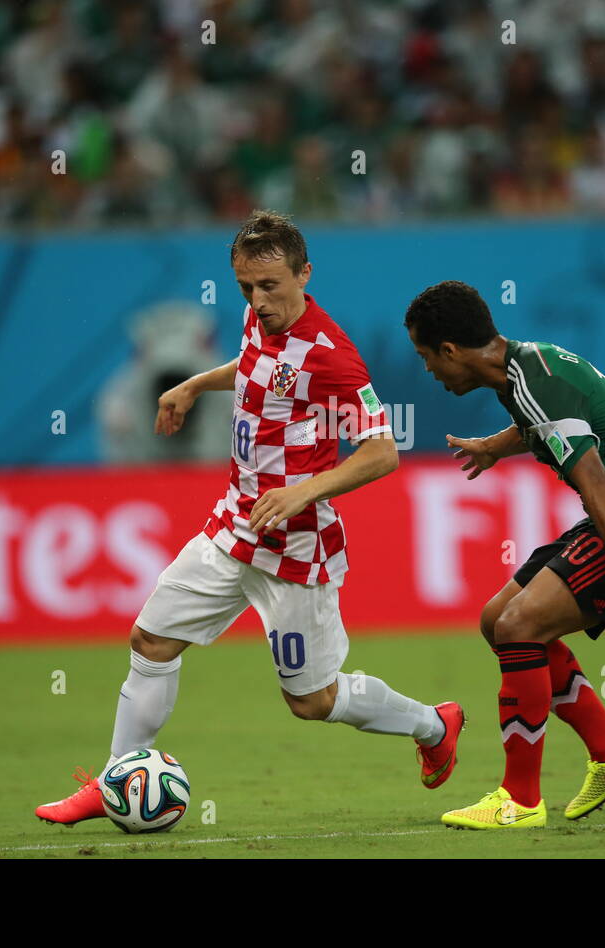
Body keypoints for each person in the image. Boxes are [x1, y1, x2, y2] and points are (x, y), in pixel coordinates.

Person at [36, 210, 463, 827]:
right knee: (151, 641)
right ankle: (114, 781)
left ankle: (433, 724)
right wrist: (193, 385)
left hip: (295, 546)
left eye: (270, 287)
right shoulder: (256, 321)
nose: (257, 301)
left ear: (304, 274)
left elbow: (382, 452)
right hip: (232, 525)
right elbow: (255, 370)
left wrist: (303, 492)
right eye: (245, 288)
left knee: (312, 701)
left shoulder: (333, 357)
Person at [404, 280, 605, 829]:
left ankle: (519, 800)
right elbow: (552, 421)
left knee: (519, 626)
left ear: (449, 350)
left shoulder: (531, 381)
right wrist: (496, 446)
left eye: (426, 357)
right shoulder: (527, 367)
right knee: (498, 622)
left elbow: (597, 482)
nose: (428, 371)